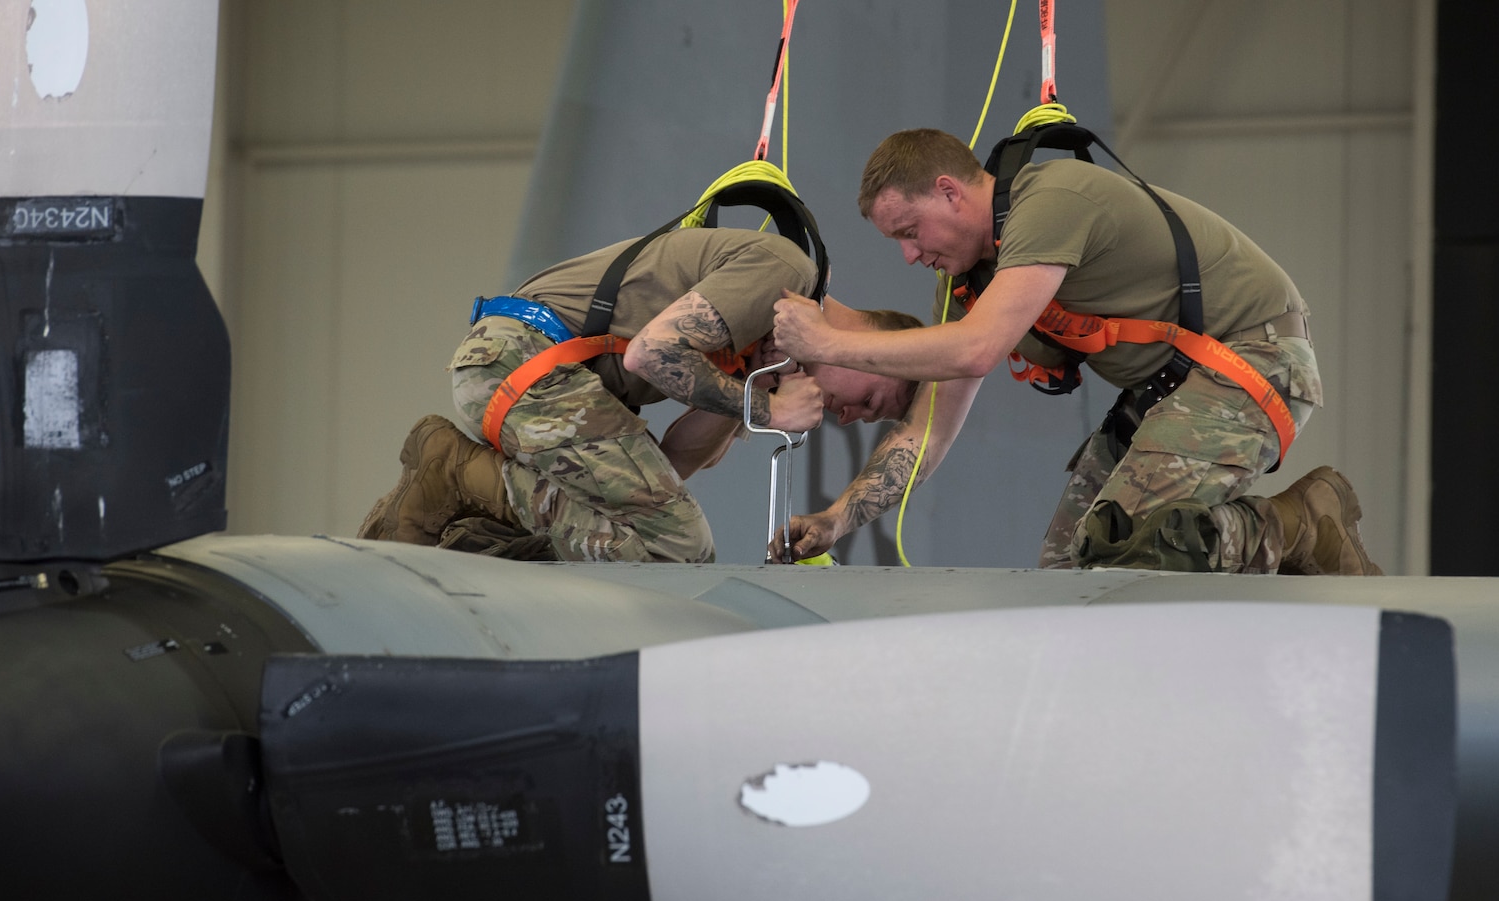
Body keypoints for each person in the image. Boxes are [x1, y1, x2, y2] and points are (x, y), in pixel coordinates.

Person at [771, 127, 1382, 574]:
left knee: (1130, 552)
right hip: (1169, 387)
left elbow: (978, 349)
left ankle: (1302, 525)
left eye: (910, 232)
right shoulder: (967, 284)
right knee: (1069, 572)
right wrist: (837, 519)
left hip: (1253, 356)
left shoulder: (1052, 203)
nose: (909, 255)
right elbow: (925, 435)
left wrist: (828, 343)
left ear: (949, 192)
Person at [360, 221, 919, 563]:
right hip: (524, 357)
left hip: (536, 375)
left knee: (652, 539)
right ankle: (457, 472)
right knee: (682, 548)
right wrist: (764, 406)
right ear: (870, 344)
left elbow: (667, 469)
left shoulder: (759, 349)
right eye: (870, 402)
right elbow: (650, 352)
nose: (847, 417)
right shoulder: (784, 270)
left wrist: (757, 388)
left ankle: (476, 520)